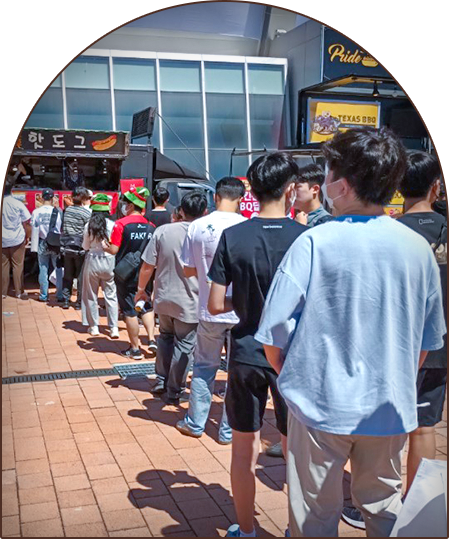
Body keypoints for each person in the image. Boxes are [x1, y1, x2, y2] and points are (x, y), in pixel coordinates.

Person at [255, 127, 446, 538]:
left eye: (327, 172)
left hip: (319, 405)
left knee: (313, 517)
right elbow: (426, 342)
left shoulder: (313, 242)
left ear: (340, 185)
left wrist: (296, 378)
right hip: (388, 406)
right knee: (384, 507)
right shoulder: (417, 249)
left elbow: (273, 335)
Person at [207, 153, 307, 538]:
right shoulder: (305, 238)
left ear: (252, 190)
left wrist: (248, 302)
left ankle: (246, 530)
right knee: (296, 453)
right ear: (290, 189)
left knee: (243, 449)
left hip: (246, 351)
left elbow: (216, 304)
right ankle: (296, 528)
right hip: (292, 357)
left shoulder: (234, 236)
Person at [176, 177, 246, 444]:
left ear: (215, 197)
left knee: (204, 366)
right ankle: (227, 430)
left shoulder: (197, 226)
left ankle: (195, 423)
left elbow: (188, 269)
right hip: (239, 310)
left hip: (209, 309)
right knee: (236, 371)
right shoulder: (246, 226)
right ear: (241, 199)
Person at [398, 151, 447, 494]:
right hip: (438, 342)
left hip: (394, 343)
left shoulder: (389, 231)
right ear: (435, 187)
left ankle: (374, 502)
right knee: (425, 426)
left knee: (382, 428)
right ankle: (416, 503)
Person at [136, 191, 206, 405]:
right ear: (205, 212)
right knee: (185, 344)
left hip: (164, 296)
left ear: (180, 210)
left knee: (165, 337)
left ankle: (160, 380)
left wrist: (141, 289)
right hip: (191, 299)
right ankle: (175, 389)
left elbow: (147, 266)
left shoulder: (163, 231)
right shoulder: (205, 233)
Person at [104, 187, 156, 360]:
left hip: (125, 274)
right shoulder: (151, 226)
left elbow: (114, 250)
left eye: (126, 203)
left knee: (129, 310)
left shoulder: (121, 224)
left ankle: (135, 349)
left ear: (132, 205)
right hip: (146, 272)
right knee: (146, 305)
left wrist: (105, 246)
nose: (124, 206)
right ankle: (151, 339)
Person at [81, 194, 119, 339]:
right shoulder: (113, 225)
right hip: (109, 261)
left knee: (91, 295)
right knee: (111, 295)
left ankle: (94, 327)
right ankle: (113, 328)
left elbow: (85, 246)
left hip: (92, 260)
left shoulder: (88, 226)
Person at [60, 186, 91, 309]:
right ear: (84, 198)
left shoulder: (67, 211)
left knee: (67, 275)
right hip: (80, 248)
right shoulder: (86, 213)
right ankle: (79, 302)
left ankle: (66, 301)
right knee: (80, 276)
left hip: (67, 247)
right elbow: (87, 231)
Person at [30, 188, 63, 302]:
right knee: (58, 269)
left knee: (43, 268)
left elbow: (33, 226)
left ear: (42, 197)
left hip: (42, 242)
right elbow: (61, 227)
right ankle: (60, 294)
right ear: (53, 198)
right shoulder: (58, 211)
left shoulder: (36, 212)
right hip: (55, 242)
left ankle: (43, 295)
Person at [2, 176, 31, 299]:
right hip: (17, 239)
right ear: (12, 189)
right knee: (18, 266)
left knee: (3, 266)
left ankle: (3, 293)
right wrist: (27, 237)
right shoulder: (17, 204)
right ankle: (19, 292)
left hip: (2, 240)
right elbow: (27, 222)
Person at [293, 163, 333, 227]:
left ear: (315, 189)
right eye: (291, 188)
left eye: (297, 187)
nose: (292, 192)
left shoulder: (326, 223)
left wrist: (300, 227)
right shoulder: (292, 218)